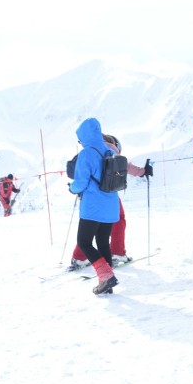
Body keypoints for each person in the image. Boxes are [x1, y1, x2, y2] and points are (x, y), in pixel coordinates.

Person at [68, 134, 150, 269]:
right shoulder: (110, 150)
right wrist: (143, 171)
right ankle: (117, 253)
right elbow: (127, 167)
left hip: (88, 198)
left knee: (91, 227)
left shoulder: (90, 148)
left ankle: (79, 258)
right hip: (108, 196)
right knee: (118, 219)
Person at [68, 117, 120, 294]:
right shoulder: (109, 149)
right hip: (111, 204)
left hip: (93, 207)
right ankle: (107, 282)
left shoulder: (87, 153)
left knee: (84, 242)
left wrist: (72, 189)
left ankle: (106, 277)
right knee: (103, 242)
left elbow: (81, 182)